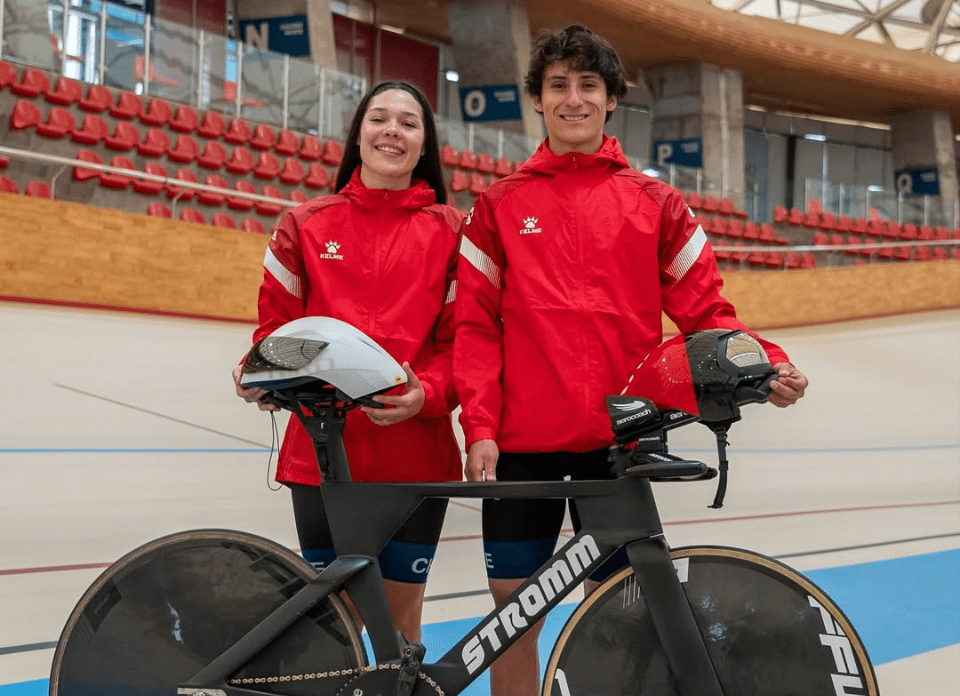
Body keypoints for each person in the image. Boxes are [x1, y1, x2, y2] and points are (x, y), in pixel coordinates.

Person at [453, 25, 809, 696]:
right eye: (558, 85)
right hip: (521, 446)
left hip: (620, 443)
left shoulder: (657, 204)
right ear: (539, 99)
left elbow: (708, 311)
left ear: (612, 99)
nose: (574, 98)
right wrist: (479, 427)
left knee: (617, 618)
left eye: (588, 85)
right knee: (513, 618)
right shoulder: (497, 207)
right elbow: (473, 328)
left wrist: (767, 364)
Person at [233, 80, 463, 644]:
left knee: (400, 627)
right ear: (358, 135)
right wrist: (258, 371)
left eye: (408, 122)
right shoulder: (303, 224)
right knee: (330, 630)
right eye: (379, 118)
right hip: (322, 456)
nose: (392, 131)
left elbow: (464, 346)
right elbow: (275, 332)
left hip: (415, 456)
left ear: (425, 144)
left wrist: (427, 394)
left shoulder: (456, 233)